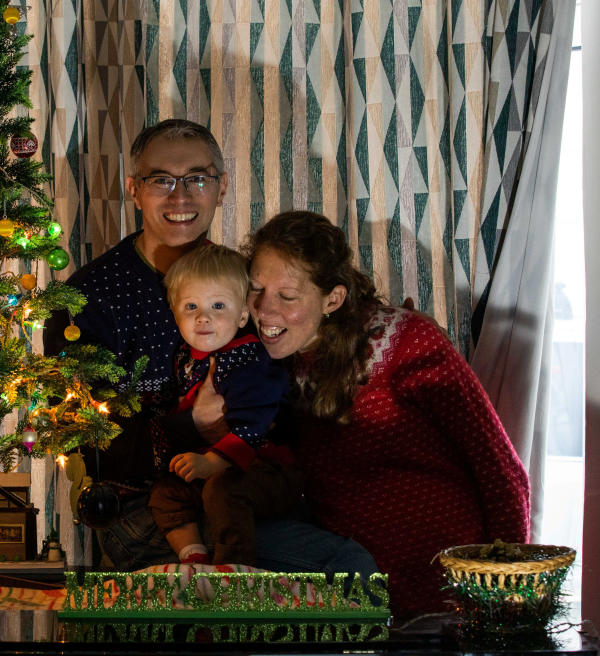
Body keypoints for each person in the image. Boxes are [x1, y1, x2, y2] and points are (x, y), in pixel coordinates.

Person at [45, 120, 377, 579]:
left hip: (241, 483)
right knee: (321, 574)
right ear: (134, 190)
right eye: (161, 179)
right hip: (146, 505)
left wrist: (383, 321)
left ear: (220, 189)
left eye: (197, 178)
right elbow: (83, 437)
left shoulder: (241, 280)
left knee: (349, 567)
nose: (180, 197)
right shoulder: (89, 300)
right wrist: (190, 427)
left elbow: (305, 322)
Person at [241, 210, 530, 619]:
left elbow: (501, 470)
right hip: (350, 587)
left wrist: (508, 585)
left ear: (333, 299)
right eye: (256, 290)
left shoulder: (410, 343)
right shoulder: (265, 361)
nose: (264, 310)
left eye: (287, 297)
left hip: (447, 587)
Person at [149, 244, 300, 566]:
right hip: (218, 462)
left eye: (218, 306)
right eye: (191, 306)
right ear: (175, 314)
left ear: (243, 314)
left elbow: (256, 424)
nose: (203, 317)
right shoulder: (184, 357)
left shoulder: (247, 359)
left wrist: (212, 462)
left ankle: (233, 568)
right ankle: (194, 557)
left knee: (222, 491)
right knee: (165, 493)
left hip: (268, 467)